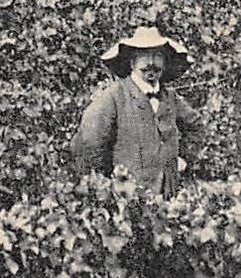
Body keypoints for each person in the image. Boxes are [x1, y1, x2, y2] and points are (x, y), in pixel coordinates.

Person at [71, 26, 202, 197]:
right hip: (129, 201)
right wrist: (108, 183)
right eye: (143, 55)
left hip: (168, 197)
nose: (151, 63)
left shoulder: (170, 97)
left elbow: (196, 126)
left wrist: (182, 158)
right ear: (132, 61)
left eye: (158, 56)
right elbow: (87, 144)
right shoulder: (113, 97)